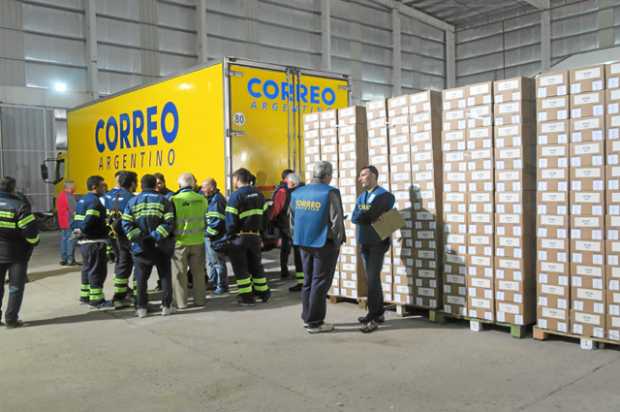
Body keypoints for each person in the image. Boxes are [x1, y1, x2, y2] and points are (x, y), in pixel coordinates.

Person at [290, 161, 345, 334]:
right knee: (320, 282)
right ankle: (315, 322)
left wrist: (296, 237)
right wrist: (339, 241)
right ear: (328, 176)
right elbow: (336, 220)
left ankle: (307, 317)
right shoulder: (330, 192)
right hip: (324, 243)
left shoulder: (298, 193)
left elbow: (291, 218)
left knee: (308, 280)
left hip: (303, 242)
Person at [122, 174, 176, 318]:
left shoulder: (132, 202)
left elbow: (126, 224)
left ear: (141, 185)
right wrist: (155, 237)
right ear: (155, 185)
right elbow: (169, 223)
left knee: (140, 280)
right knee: (165, 277)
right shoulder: (164, 201)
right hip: (160, 246)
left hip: (140, 247)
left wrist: (141, 238)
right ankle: (166, 306)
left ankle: (141, 308)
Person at [351, 166, 395, 333]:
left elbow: (368, 215)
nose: (360, 178)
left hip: (377, 241)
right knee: (372, 278)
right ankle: (379, 313)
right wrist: (366, 215)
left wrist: (366, 215)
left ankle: (374, 315)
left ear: (374, 176)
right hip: (364, 241)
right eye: (359, 175)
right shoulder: (362, 196)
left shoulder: (385, 196)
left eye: (363, 175)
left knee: (372, 279)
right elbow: (356, 217)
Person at [225, 168, 271, 305]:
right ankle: (263, 293)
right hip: (255, 236)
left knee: (241, 268)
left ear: (238, 179)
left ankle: (246, 297)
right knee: (256, 266)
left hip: (240, 237)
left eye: (233, 179)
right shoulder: (259, 194)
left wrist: (229, 235)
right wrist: (262, 234)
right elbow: (266, 217)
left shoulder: (236, 196)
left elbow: (231, 220)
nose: (233, 181)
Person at [0, 177, 40, 328]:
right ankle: (11, 320)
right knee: (15, 287)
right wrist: (35, 242)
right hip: (16, 255)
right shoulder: (20, 206)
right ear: (13, 188)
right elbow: (30, 233)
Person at [171, 173, 208, 309]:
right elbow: (205, 216)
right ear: (192, 184)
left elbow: (171, 221)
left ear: (179, 185)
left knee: (179, 274)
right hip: (198, 241)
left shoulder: (174, 199)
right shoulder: (201, 199)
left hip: (180, 242)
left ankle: (181, 303)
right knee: (198, 273)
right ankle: (200, 300)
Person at [72, 175, 111, 308]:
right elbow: (89, 221)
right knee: (97, 270)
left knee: (86, 269)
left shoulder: (82, 200)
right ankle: (97, 300)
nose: (104, 188)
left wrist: (77, 231)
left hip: (84, 243)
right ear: (95, 187)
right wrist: (83, 230)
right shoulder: (95, 202)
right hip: (94, 241)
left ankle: (85, 296)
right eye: (102, 185)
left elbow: (76, 219)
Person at [105, 170, 137, 309]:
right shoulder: (132, 198)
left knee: (121, 264)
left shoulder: (109, 196)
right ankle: (136, 294)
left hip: (113, 236)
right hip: (127, 238)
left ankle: (119, 295)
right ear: (132, 184)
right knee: (135, 264)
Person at [201, 178, 228, 295]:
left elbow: (216, 221)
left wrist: (207, 234)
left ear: (211, 188)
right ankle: (214, 283)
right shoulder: (212, 198)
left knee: (218, 262)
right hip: (211, 236)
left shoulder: (216, 200)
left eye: (204, 187)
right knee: (212, 262)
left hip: (215, 237)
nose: (202, 190)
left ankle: (222, 286)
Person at [56, 180, 77, 266]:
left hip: (62, 220)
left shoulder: (60, 195)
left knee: (64, 239)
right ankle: (70, 259)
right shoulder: (69, 196)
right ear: (69, 187)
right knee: (71, 239)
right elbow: (74, 210)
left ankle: (63, 258)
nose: (75, 188)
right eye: (74, 186)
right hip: (69, 220)